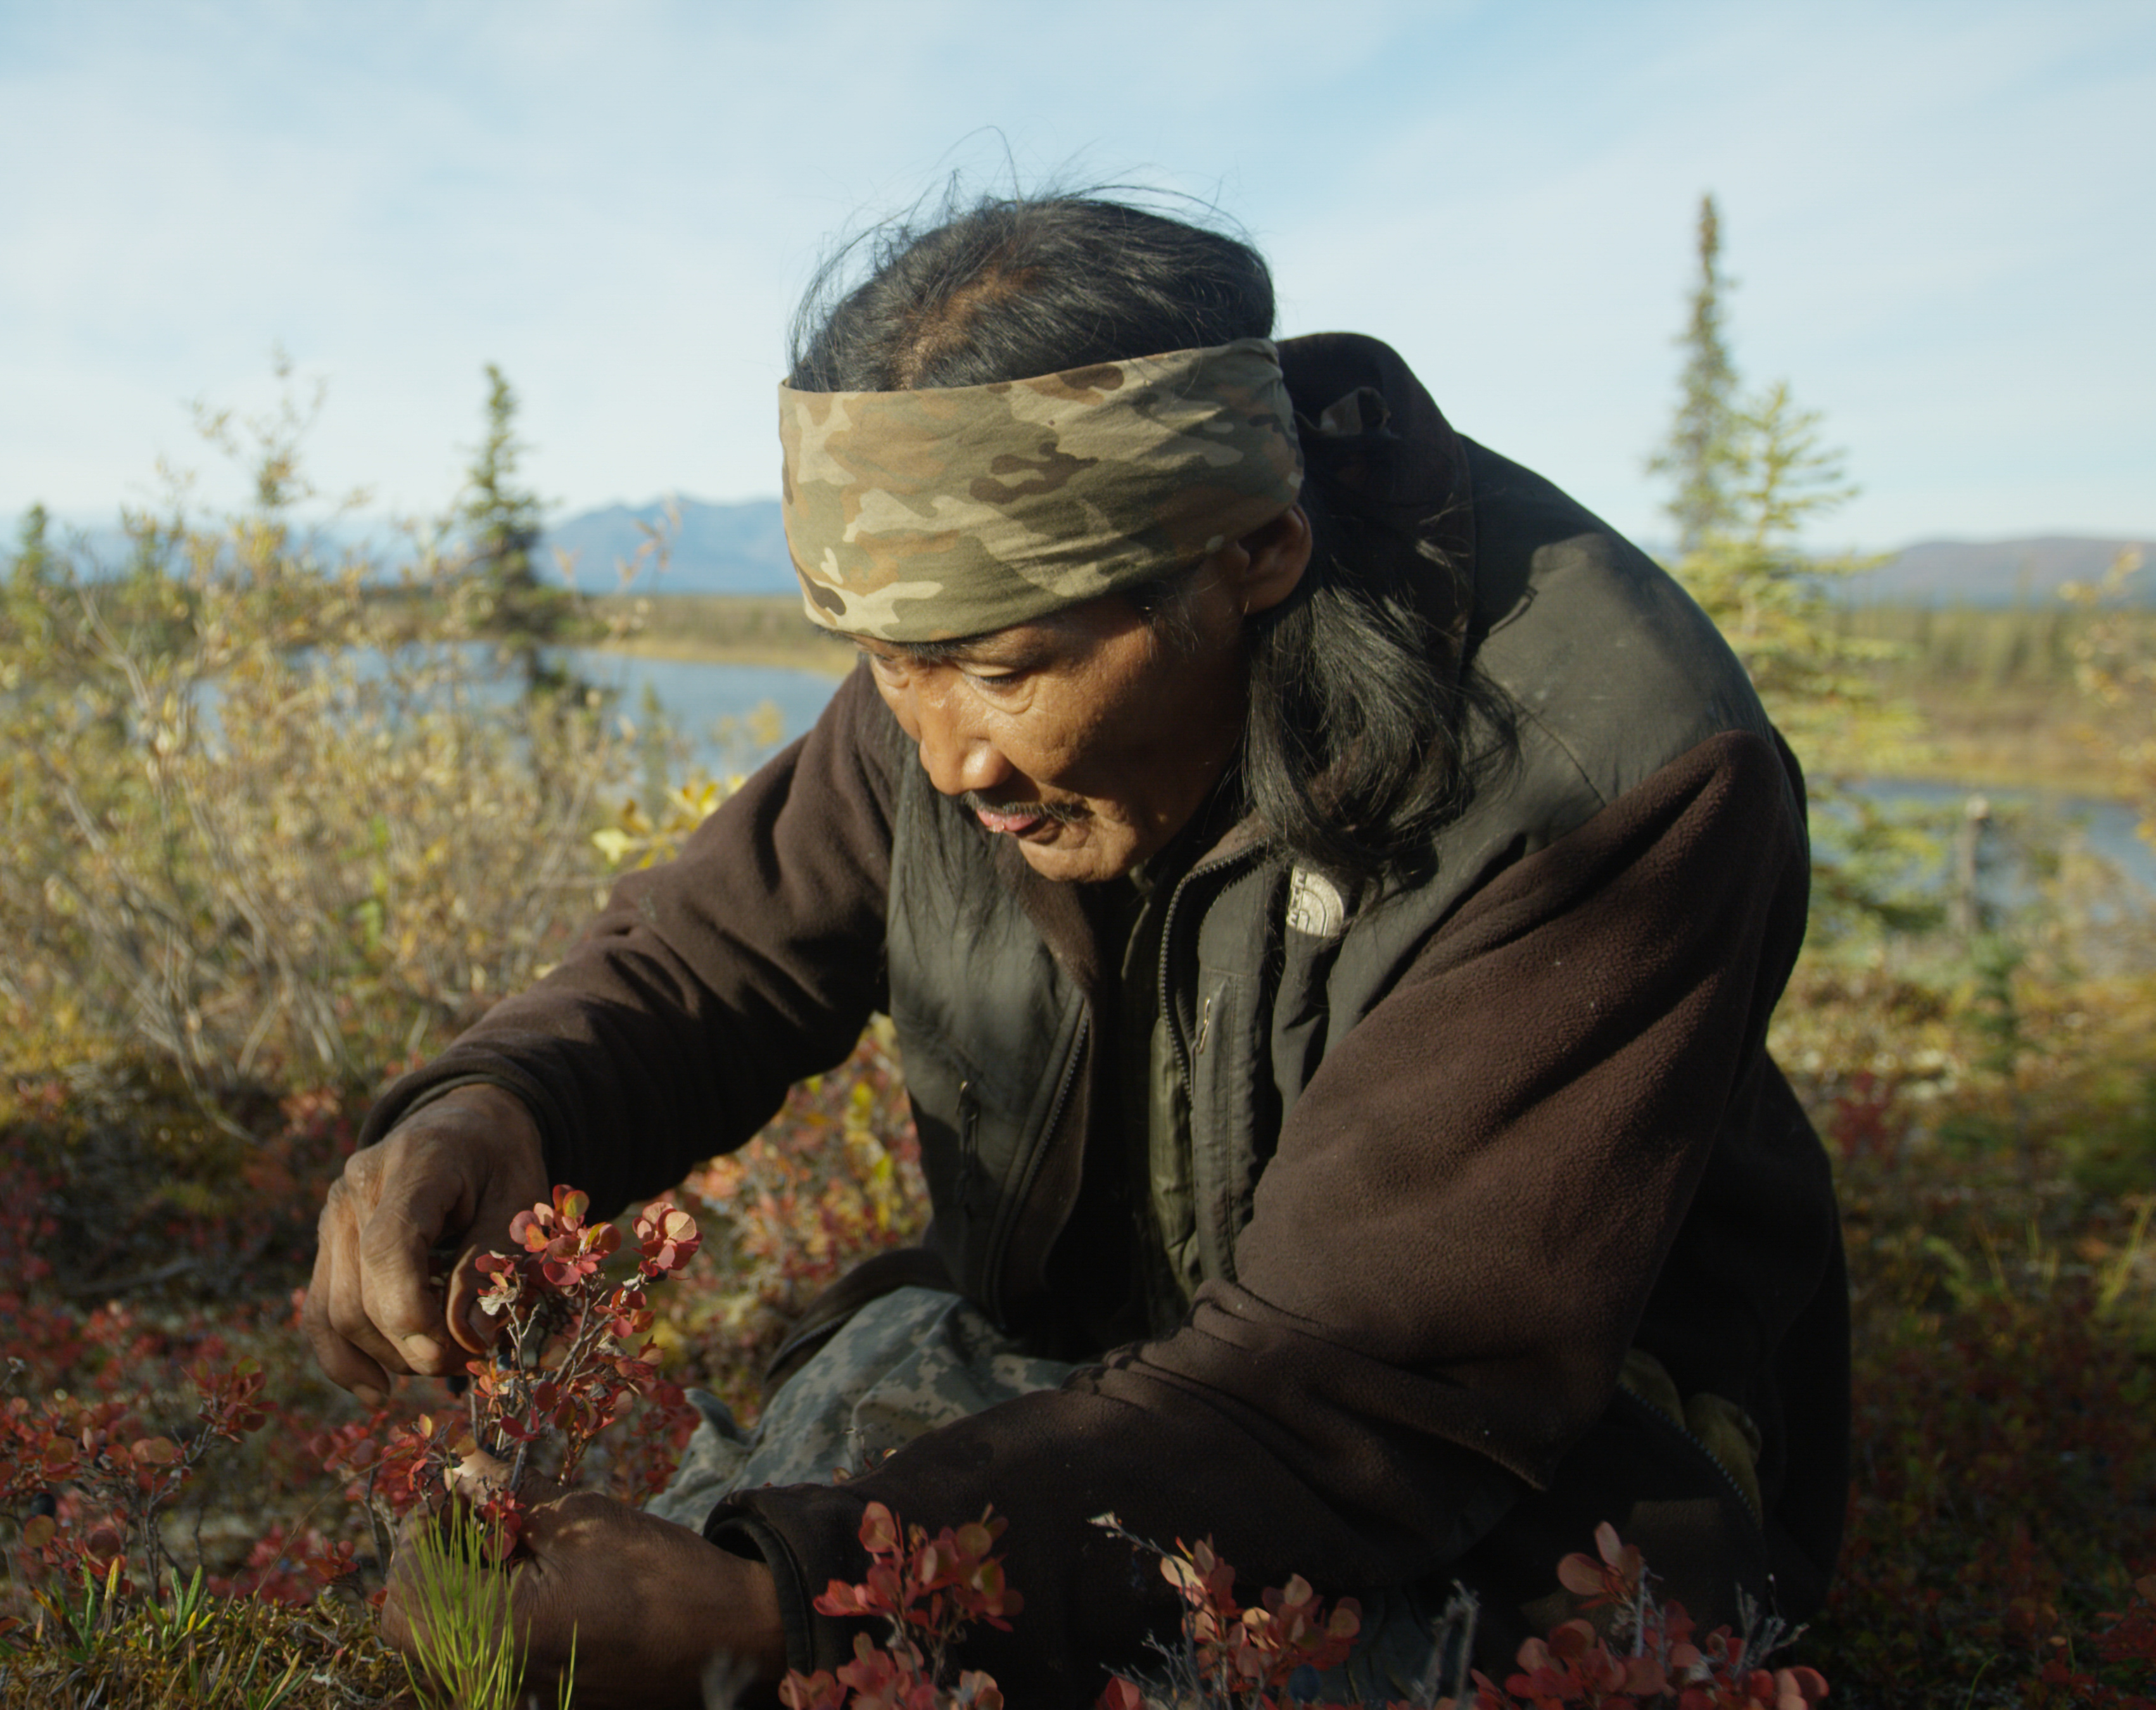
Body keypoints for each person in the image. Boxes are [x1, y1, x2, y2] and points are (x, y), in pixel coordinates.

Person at [305, 193, 1846, 1708]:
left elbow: (1368, 1386)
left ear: (1256, 552)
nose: (952, 757)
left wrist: (777, 1610)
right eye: (892, 669)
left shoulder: (1603, 774)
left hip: (1515, 1479)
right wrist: (497, 1106)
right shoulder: (963, 660)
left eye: (1002, 670)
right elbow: (715, 959)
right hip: (1114, 1364)